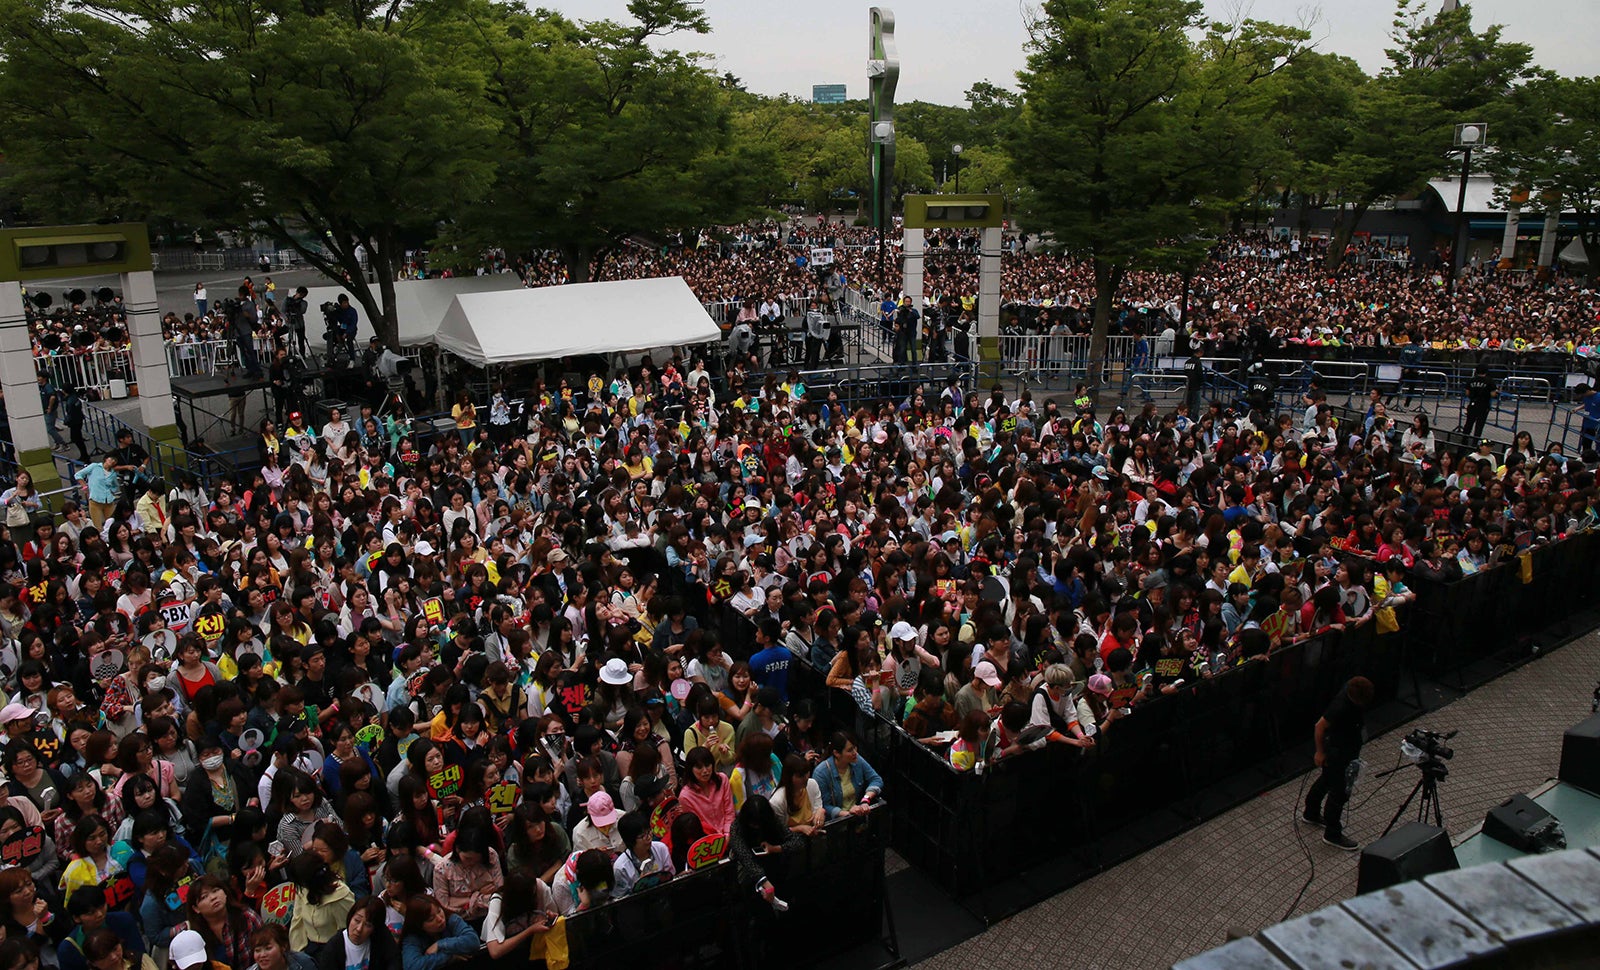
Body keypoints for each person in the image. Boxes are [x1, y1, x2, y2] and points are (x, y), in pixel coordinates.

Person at [1303, 676, 1376, 850]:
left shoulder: (1349, 692)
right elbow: (1319, 726)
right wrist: (1320, 752)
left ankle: (1311, 812)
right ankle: (1332, 833)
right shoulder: (1341, 707)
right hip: (1338, 752)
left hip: (1344, 749)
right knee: (1339, 793)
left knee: (1326, 780)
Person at [811, 732, 883, 819]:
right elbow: (823, 805)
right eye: (850, 750)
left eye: (855, 747)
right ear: (837, 753)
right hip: (837, 822)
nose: (855, 752)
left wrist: (865, 799)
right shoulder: (821, 773)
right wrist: (847, 813)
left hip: (857, 817)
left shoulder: (857, 759)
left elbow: (876, 779)